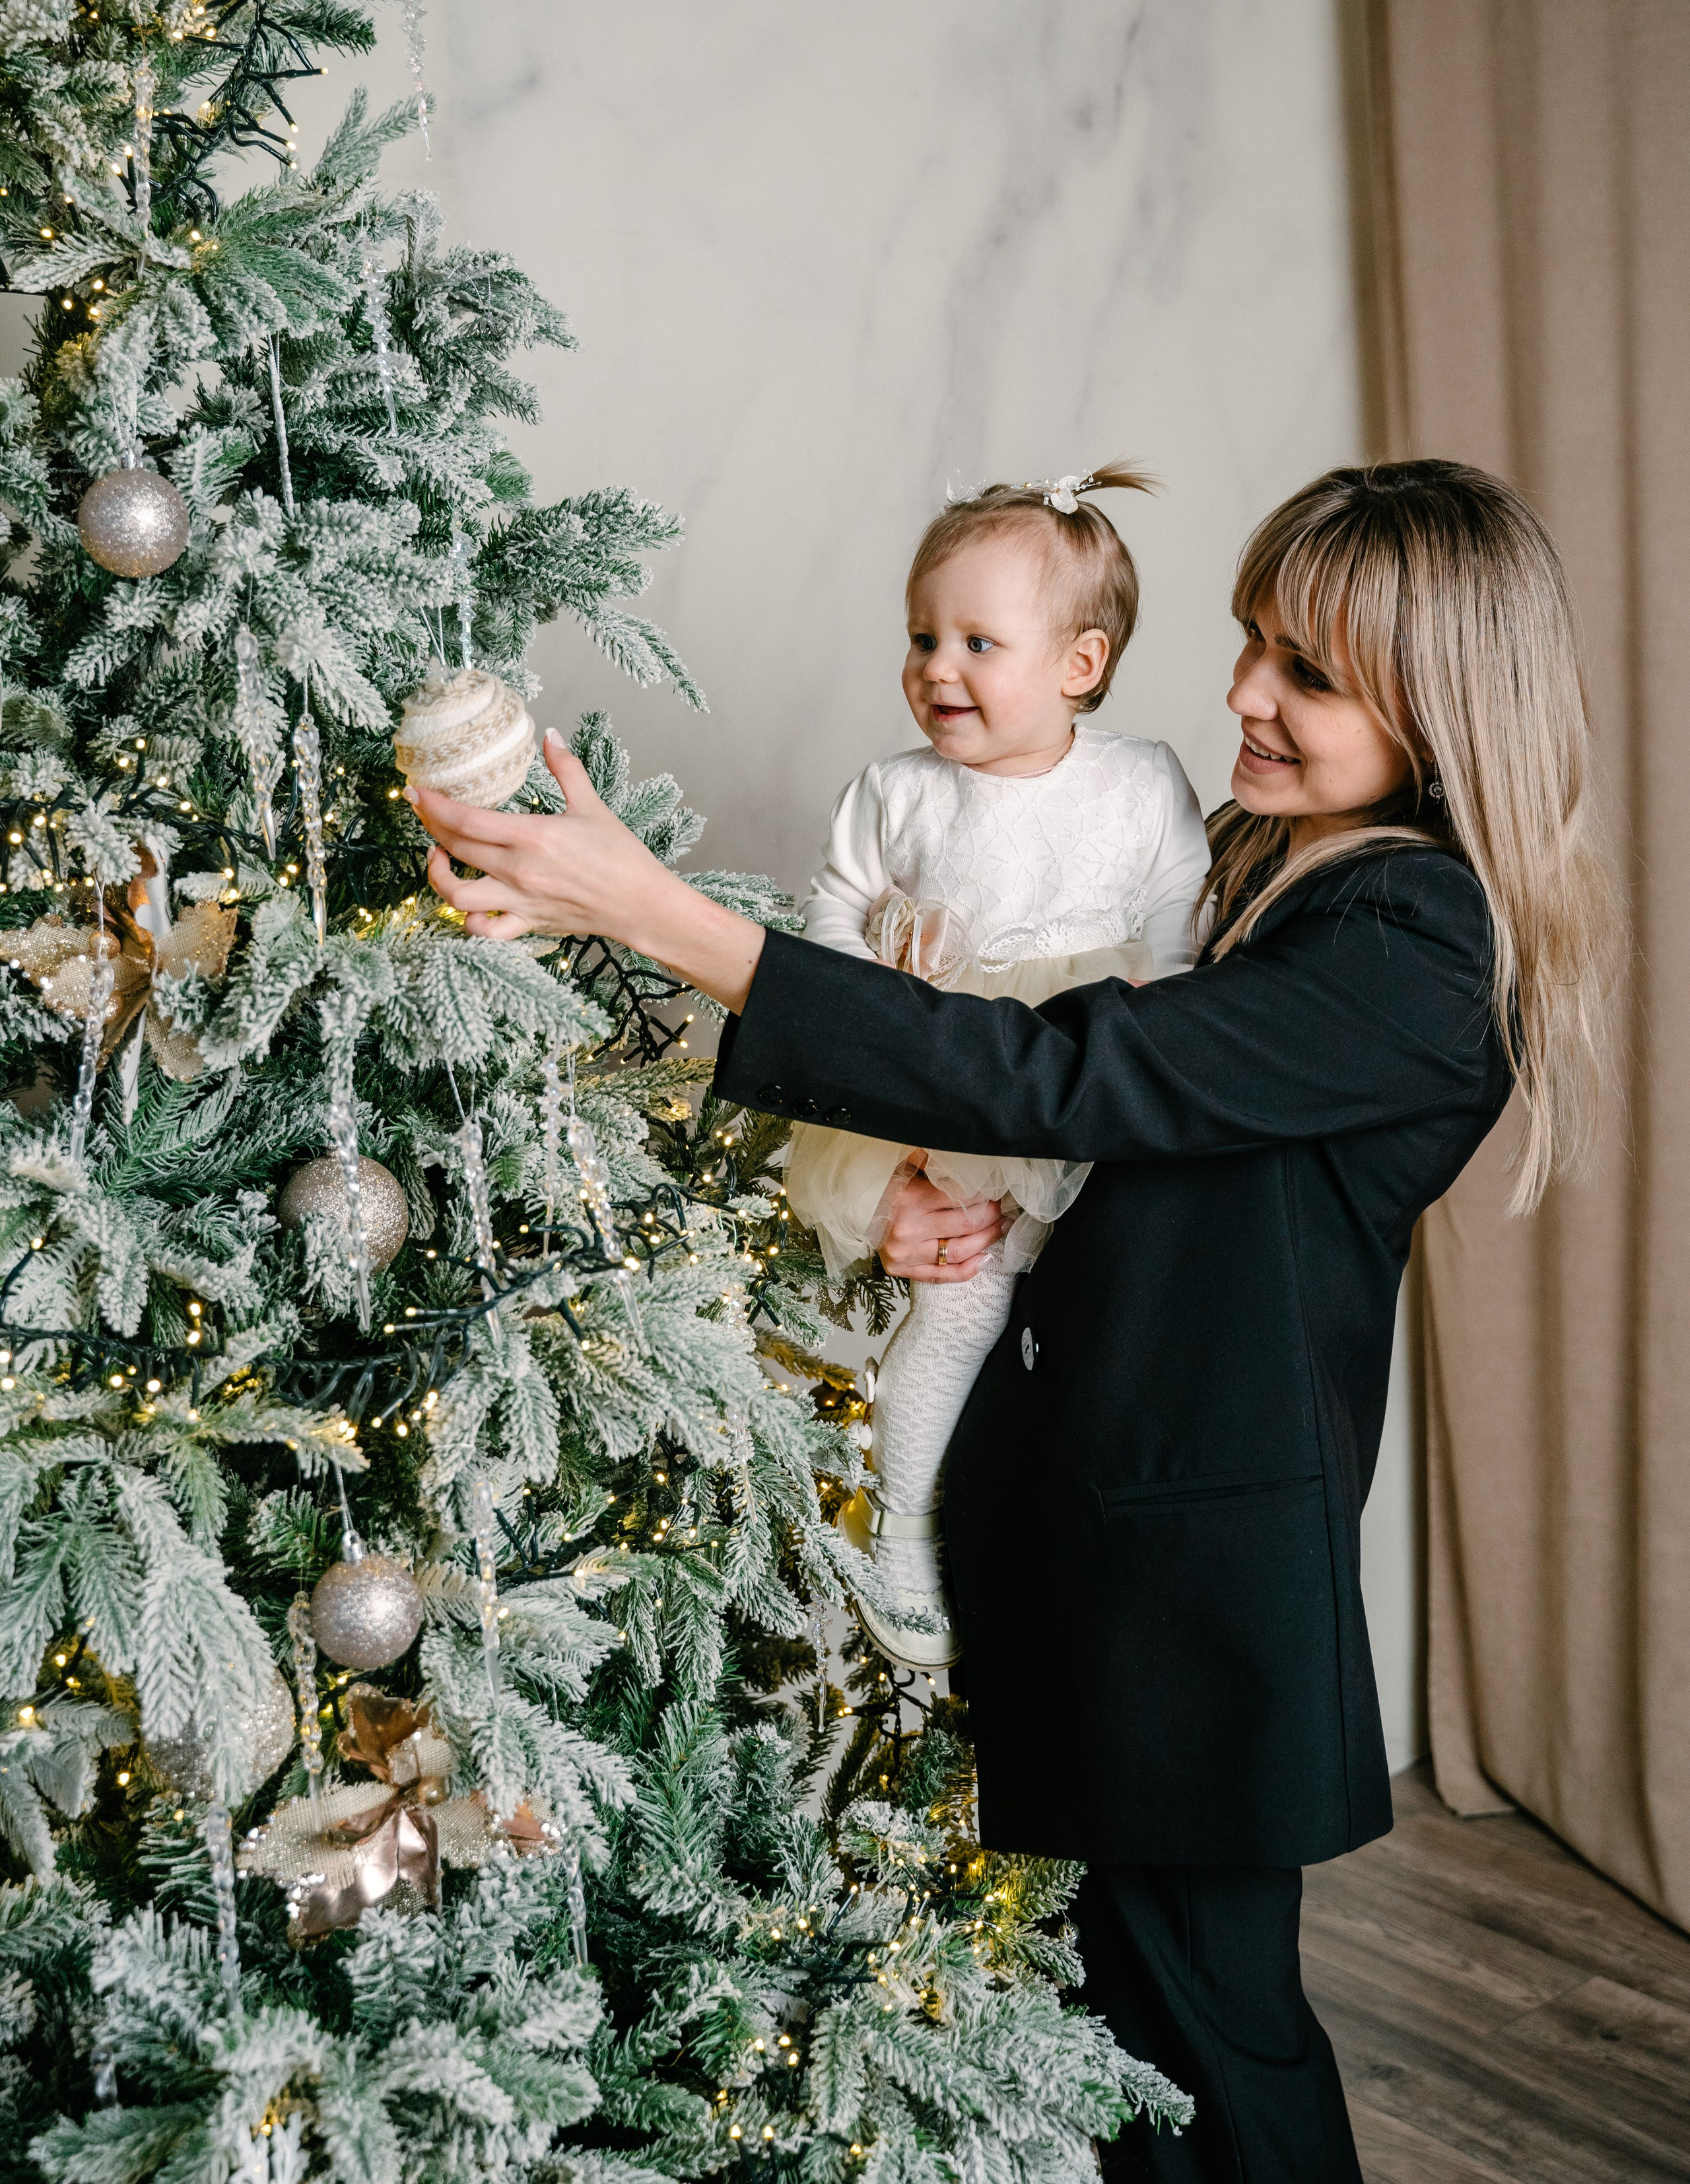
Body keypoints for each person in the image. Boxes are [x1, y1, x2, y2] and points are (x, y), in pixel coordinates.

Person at [409, 460, 1618, 2183]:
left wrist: (663, 921)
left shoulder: (1411, 942)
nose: (1243, 695)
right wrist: (889, 1185)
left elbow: (1068, 1073)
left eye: (1311, 675)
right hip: (1084, 1537)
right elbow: (1022, 1097)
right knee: (1106, 2046)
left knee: (1209, 2056)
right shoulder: (1239, 867)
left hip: (1197, 1599)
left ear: (1446, 710)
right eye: (1255, 642)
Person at [788, 470, 1209, 1664]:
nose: (935, 667)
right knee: (961, 1309)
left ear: (1081, 665)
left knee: (1095, 1334)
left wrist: (1150, 1028)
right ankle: (904, 1527)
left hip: (1095, 1076)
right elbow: (831, 925)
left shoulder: (1140, 781)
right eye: (922, 637)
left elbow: (1179, 908)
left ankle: (1057, 1564)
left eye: (978, 641)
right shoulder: (897, 792)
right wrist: (878, 1074)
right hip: (947, 1091)